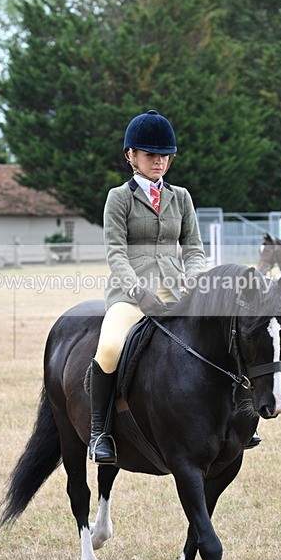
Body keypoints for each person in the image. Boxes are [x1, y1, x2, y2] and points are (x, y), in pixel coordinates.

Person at [88, 109, 206, 464]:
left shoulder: (181, 197)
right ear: (131, 156)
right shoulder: (119, 197)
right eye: (151, 154)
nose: (159, 161)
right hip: (130, 294)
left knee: (220, 331)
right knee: (109, 348)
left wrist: (196, 281)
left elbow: (194, 248)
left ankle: (237, 418)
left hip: (175, 289)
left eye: (164, 155)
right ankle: (99, 433)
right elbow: (115, 252)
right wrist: (140, 292)